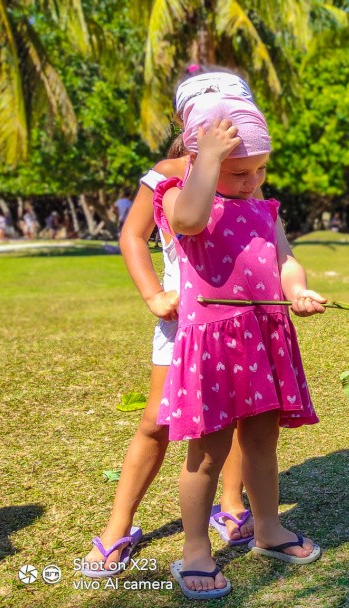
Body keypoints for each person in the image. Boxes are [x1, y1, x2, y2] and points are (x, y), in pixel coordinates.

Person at [81, 68, 260, 580]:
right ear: (190, 123)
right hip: (182, 325)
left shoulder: (246, 172)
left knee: (237, 417)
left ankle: (231, 504)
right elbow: (133, 235)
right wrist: (153, 294)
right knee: (156, 422)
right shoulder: (167, 172)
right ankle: (119, 526)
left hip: (236, 322)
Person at [154, 93, 325, 599]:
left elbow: (285, 258)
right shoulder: (177, 197)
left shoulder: (263, 208)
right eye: (238, 173)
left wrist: (295, 289)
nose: (251, 182)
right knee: (207, 453)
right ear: (199, 161)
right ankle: (194, 552)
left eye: (259, 170)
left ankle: (268, 528)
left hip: (264, 335)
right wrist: (204, 163)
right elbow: (188, 221)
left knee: (262, 441)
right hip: (214, 343)